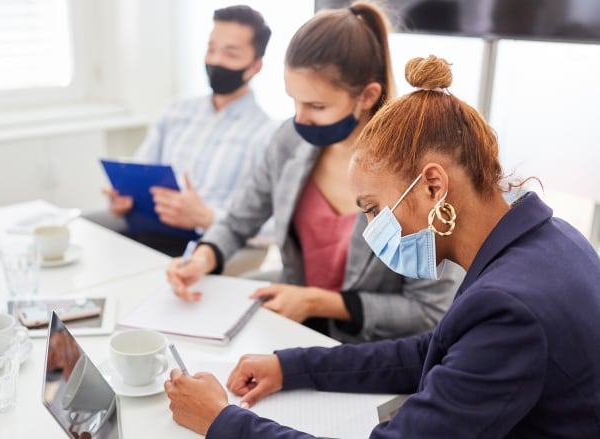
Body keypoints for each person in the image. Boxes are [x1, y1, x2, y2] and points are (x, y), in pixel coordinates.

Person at [164, 55, 600, 438]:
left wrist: (222, 421)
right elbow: (434, 351)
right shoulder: (551, 240)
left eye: (372, 209)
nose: (371, 229)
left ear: (432, 186)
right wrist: (292, 367)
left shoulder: (511, 310)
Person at [168, 3, 463, 343]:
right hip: (292, 326)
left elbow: (429, 310)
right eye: (294, 101)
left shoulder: (415, 176)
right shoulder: (289, 141)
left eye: (316, 106)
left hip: (367, 349)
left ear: (367, 95)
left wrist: (319, 302)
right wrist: (201, 259)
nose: (300, 119)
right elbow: (237, 221)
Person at [89, 5, 276, 257]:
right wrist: (121, 198)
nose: (215, 60)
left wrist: (206, 217)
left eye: (230, 54)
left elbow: (275, 226)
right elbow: (141, 167)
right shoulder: (177, 112)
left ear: (255, 66)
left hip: (202, 248)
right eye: (211, 49)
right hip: (142, 234)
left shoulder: (266, 135)